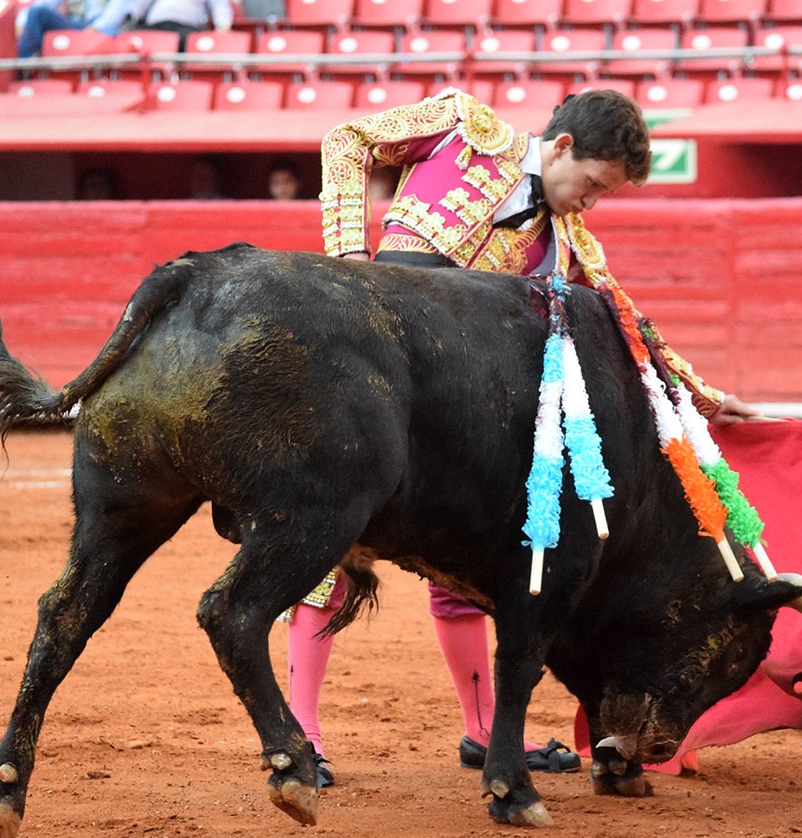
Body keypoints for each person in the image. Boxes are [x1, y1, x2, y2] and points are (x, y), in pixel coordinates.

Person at [286, 88, 762, 789]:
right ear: (563, 147)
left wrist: (703, 395)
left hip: (450, 419)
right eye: (594, 185)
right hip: (367, 376)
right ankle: (303, 739)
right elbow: (347, 139)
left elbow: (629, 326)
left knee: (465, 569)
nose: (591, 203)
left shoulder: (572, 243)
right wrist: (348, 268)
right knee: (328, 553)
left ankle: (483, 734)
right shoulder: (461, 127)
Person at [16, 0, 133, 59]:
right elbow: (41, 4)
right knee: (36, 13)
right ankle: (26, 64)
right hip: (76, 24)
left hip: (104, 28)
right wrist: (21, 22)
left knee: (113, 34)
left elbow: (116, 13)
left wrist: (95, 27)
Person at [125, 0, 234, 52]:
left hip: (187, 30)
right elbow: (137, 9)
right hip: (156, 28)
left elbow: (220, 6)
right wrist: (133, 18)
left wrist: (223, 26)